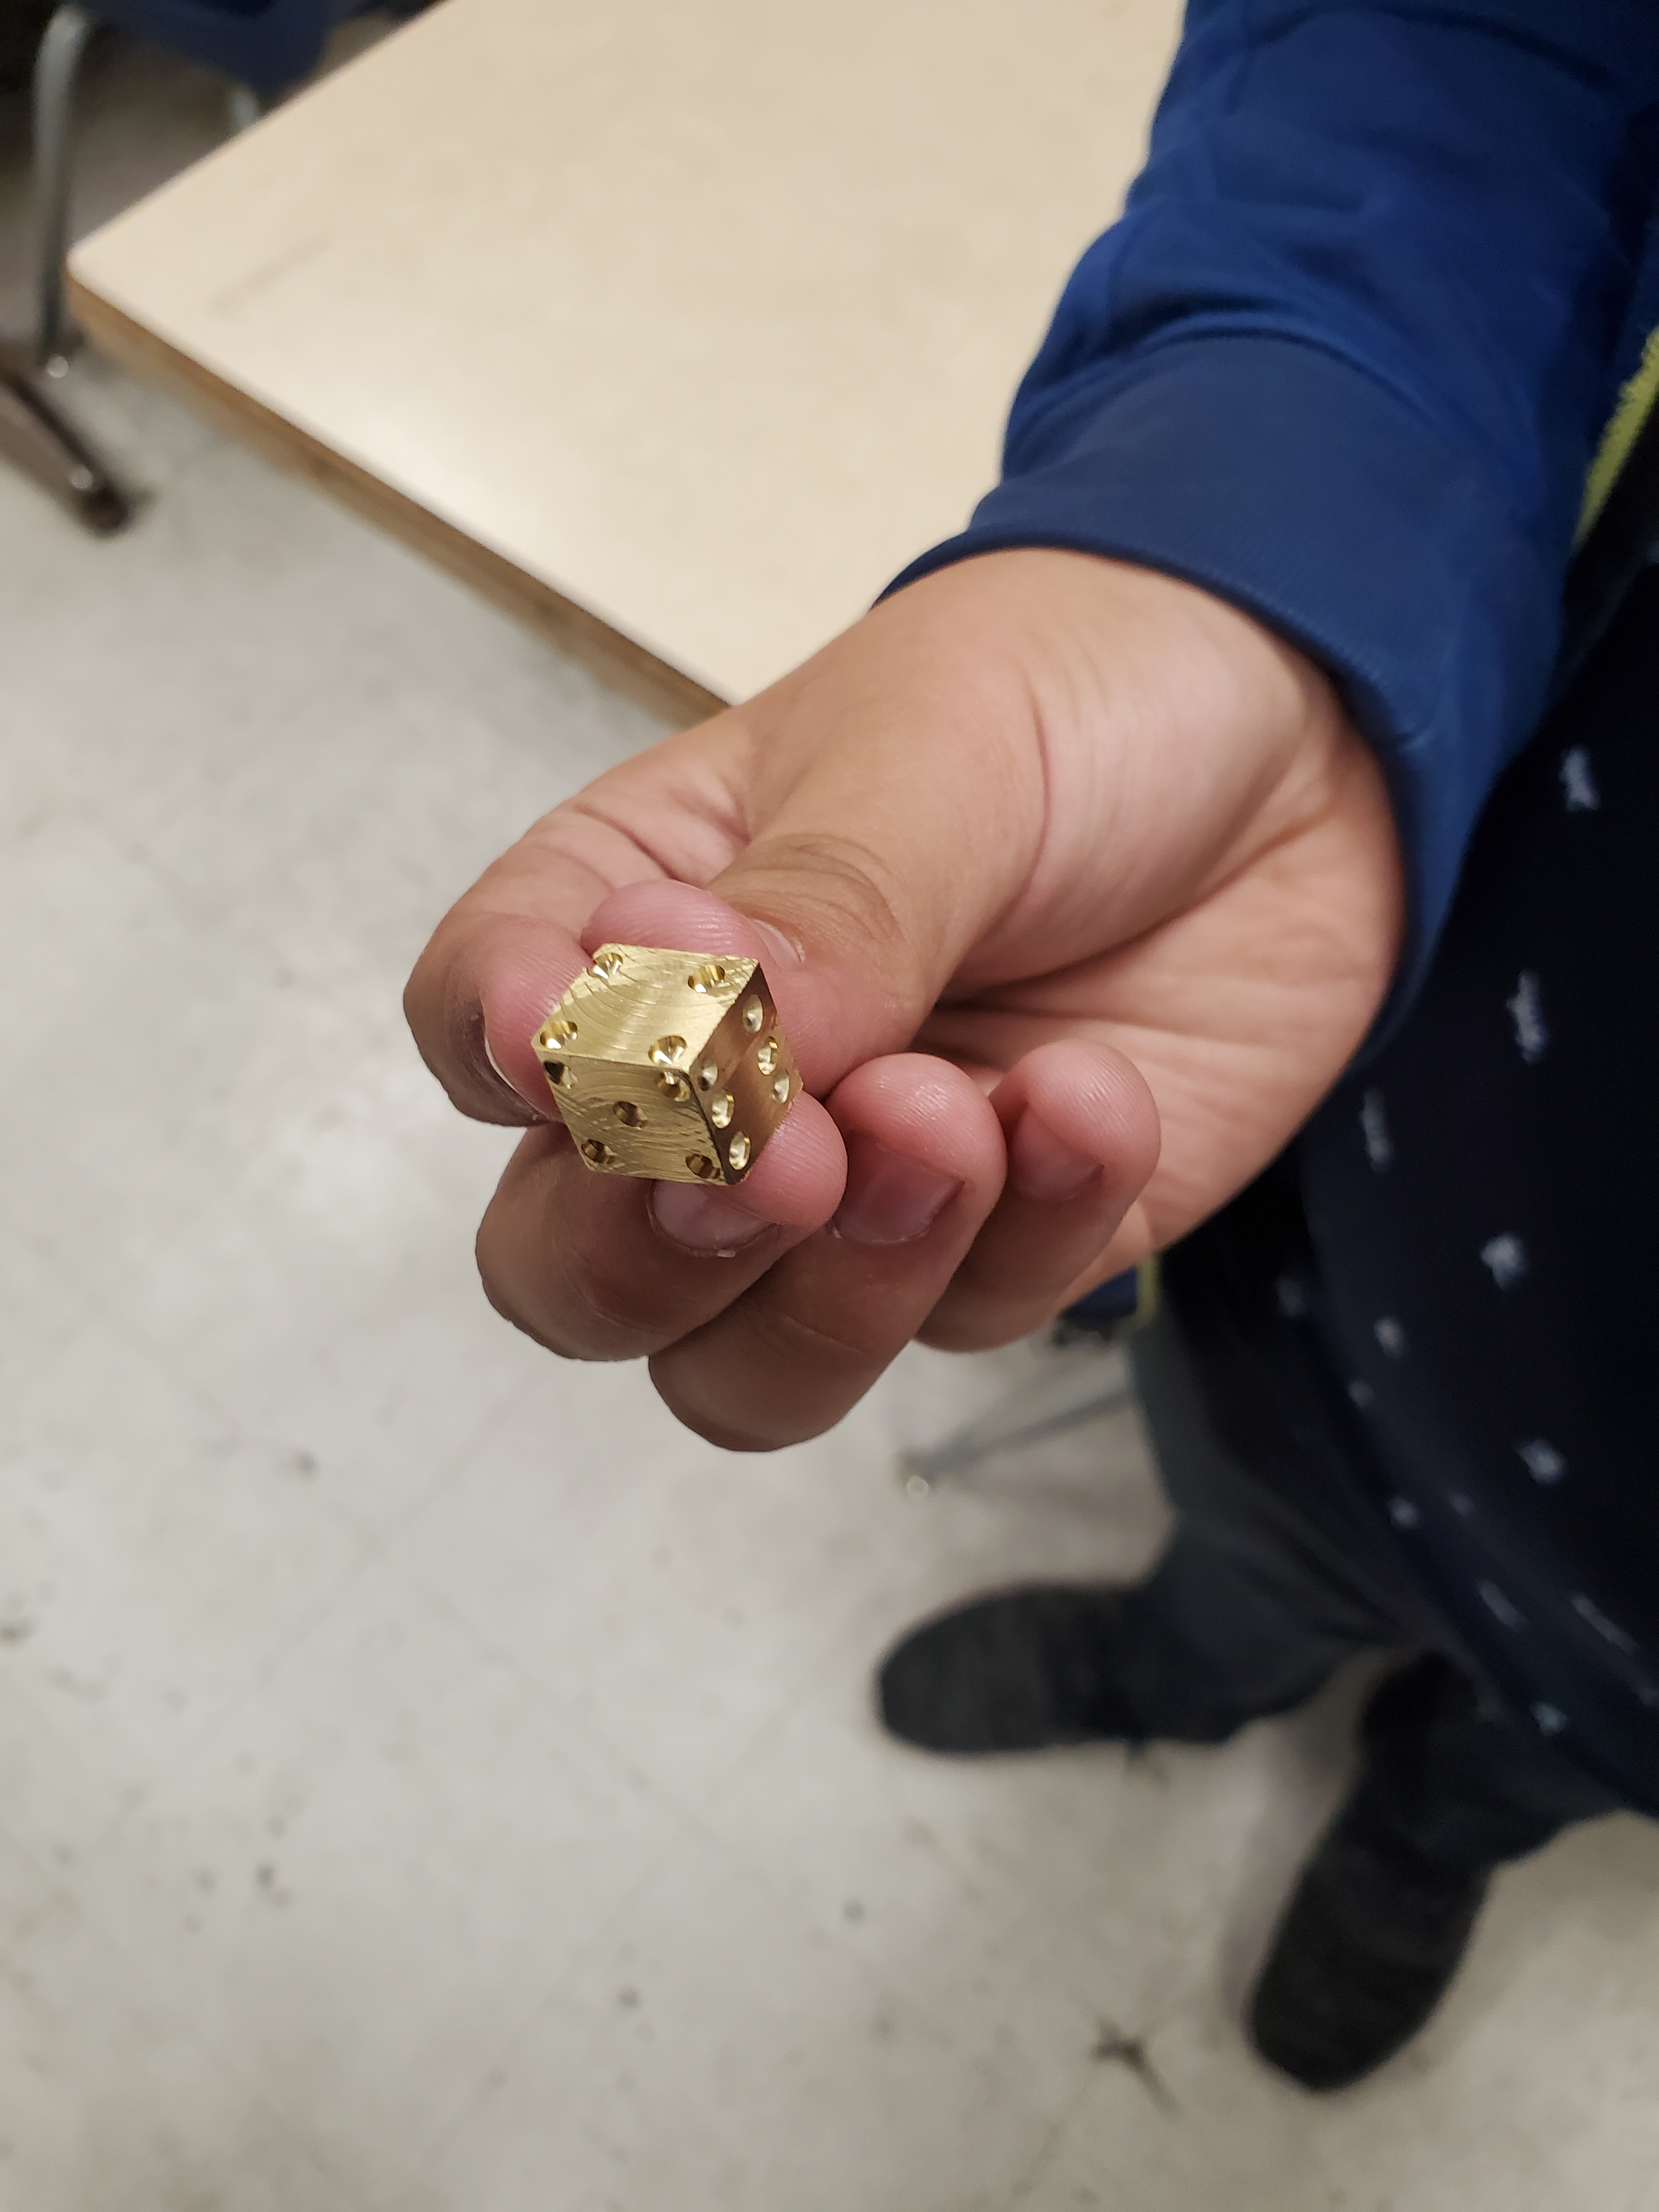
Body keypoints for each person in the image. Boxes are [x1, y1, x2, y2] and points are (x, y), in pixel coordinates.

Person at [405, 0, 1659, 2090]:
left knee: (1530, 1760)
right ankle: (1189, 1668)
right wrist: (1251, 546)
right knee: (1242, 1543)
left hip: (1629, 1675)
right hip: (1343, 1211)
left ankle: (1424, 1834)